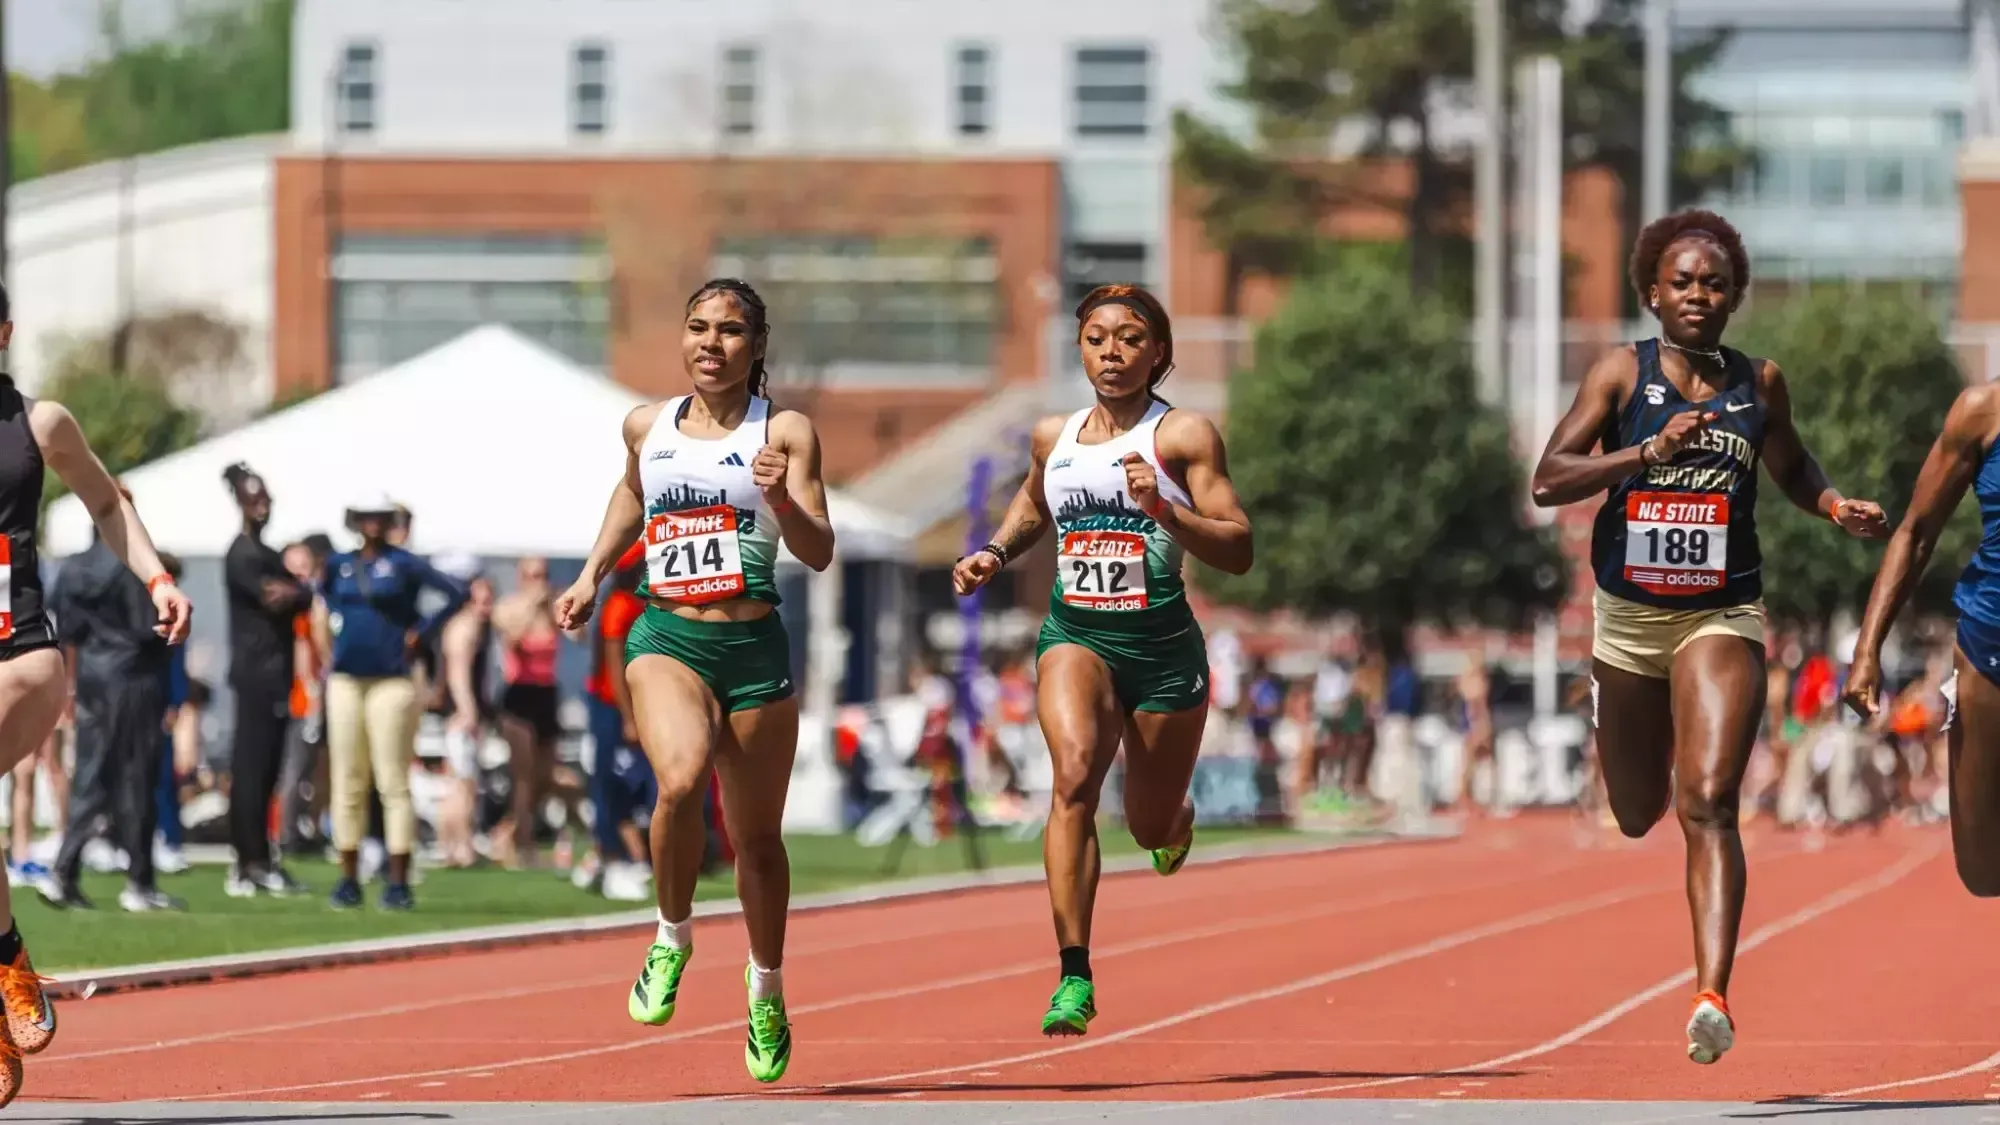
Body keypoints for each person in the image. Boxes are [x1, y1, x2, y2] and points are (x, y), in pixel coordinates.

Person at [1529, 209, 1887, 1066]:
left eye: (1714, 283)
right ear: (1652, 292)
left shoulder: (1760, 382)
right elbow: (1549, 479)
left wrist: (1833, 504)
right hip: (1627, 621)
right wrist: (1644, 454)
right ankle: (1624, 723)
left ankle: (1711, 994)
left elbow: (1791, 463)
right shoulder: (1621, 372)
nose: (1698, 293)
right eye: (1682, 281)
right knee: (1636, 811)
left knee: (1710, 800)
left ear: (1734, 297)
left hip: (1719, 613)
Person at [951, 282, 1253, 1037]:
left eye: (1129, 339)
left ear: (1159, 352)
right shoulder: (1052, 436)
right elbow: (1034, 502)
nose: (1111, 353)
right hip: (1076, 634)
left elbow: (1239, 546)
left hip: (1162, 651)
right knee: (1075, 774)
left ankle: (1176, 819)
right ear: (1080, 349)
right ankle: (1074, 972)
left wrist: (1165, 511)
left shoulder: (1183, 435)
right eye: (1096, 339)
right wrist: (994, 552)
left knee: (1147, 825)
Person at [553, 277, 834, 1084]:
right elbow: (632, 492)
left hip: (754, 651)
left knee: (757, 842)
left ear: (757, 344)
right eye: (699, 327)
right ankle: (672, 935)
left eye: (730, 330)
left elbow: (819, 549)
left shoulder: (784, 430)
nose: (712, 343)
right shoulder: (647, 425)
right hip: (668, 634)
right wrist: (591, 574)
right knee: (678, 779)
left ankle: (766, 987)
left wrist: (780, 497)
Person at [0, 282, 190, 1106]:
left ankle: (6, 955)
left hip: (20, 654)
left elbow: (107, 499)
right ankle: (5, 965)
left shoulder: (39, 423)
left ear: (4, 332)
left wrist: (156, 577)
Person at [1843, 376, 2000, 889]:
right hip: (1989, 646)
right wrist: (1868, 649)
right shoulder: (1982, 410)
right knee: (1981, 872)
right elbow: (1915, 533)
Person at [312, 494, 468, 911]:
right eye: (366, 517)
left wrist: (421, 632)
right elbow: (322, 603)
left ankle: (398, 879)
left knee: (392, 780)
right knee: (347, 779)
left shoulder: (404, 563)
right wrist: (328, 649)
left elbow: (456, 593)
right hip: (346, 678)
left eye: (379, 517)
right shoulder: (339, 564)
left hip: (392, 679)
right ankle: (348, 876)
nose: (373, 524)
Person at [42, 484, 183, 913]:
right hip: (134, 676)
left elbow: (67, 633)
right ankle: (139, 881)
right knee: (137, 777)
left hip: (91, 676)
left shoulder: (75, 567)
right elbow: (150, 629)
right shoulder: (133, 566)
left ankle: (64, 871)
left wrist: (69, 685)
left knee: (90, 776)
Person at [221, 463, 314, 897]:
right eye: (254, 499)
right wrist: (297, 591)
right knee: (251, 770)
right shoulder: (242, 555)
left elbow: (299, 594)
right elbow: (277, 597)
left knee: (269, 771)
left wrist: (297, 591)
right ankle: (249, 861)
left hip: (276, 675)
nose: (263, 507)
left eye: (266, 499)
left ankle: (261, 857)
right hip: (254, 675)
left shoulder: (267, 554)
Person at [580, 539, 654, 900]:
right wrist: (629, 717)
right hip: (610, 705)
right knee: (607, 782)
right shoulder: (620, 606)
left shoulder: (635, 602)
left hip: (626, 704)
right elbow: (614, 669)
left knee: (629, 783)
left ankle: (614, 854)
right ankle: (610, 854)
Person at [492, 556, 563, 869]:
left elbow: (577, 635)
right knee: (523, 775)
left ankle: (507, 830)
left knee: (545, 775)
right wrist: (533, 606)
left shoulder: (550, 609)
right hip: (519, 694)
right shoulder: (508, 608)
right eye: (534, 575)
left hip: (546, 692)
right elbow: (513, 640)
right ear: (522, 578)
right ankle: (524, 845)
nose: (540, 581)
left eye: (543, 575)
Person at [430, 560, 493, 869]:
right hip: (460, 716)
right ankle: (461, 845)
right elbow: (457, 673)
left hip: (455, 715)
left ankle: (451, 846)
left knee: (458, 783)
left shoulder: (468, 626)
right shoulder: (464, 628)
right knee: (464, 783)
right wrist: (468, 711)